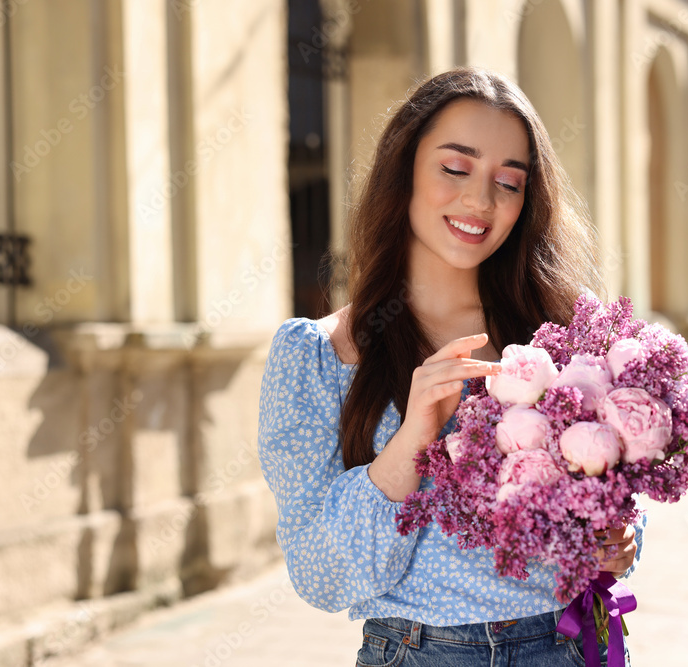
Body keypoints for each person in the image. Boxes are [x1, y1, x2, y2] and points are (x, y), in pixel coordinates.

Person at [257, 66, 644, 666]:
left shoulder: (557, 334)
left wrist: (616, 539)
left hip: (564, 647)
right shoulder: (317, 354)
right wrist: (412, 438)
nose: (480, 201)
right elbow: (321, 577)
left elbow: (611, 500)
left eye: (509, 183)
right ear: (404, 167)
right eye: (455, 168)